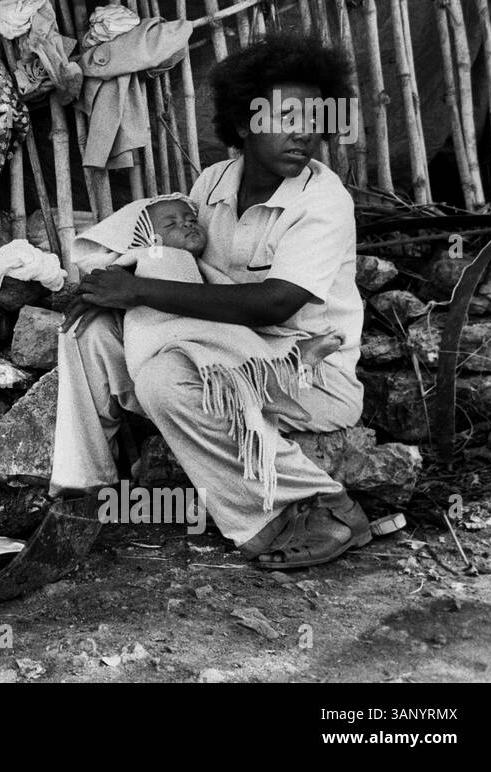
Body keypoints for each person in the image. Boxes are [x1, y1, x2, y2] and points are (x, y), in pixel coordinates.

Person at [52, 33, 371, 571]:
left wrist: (140, 292)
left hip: (310, 373)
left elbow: (274, 305)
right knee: (90, 333)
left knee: (165, 380)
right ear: (245, 124)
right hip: (225, 348)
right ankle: (83, 490)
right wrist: (114, 290)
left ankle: (321, 506)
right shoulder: (213, 182)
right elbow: (176, 257)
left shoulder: (323, 201)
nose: (304, 131)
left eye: (314, 117)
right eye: (285, 115)